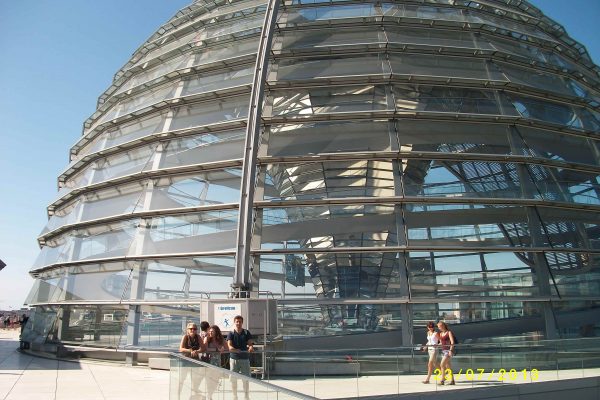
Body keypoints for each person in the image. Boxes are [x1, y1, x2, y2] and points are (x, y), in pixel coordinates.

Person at [227, 315, 254, 399]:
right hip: (234, 358)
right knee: (233, 379)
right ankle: (235, 396)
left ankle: (246, 396)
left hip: (244, 358)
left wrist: (250, 347)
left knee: (245, 379)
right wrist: (234, 350)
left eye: (240, 322)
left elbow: (250, 343)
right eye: (237, 322)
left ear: (242, 323)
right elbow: (229, 346)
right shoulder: (231, 333)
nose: (238, 323)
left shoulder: (246, 332)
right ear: (234, 322)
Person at [179, 322, 206, 397]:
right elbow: (181, 349)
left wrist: (197, 351)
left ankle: (194, 396)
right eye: (191, 329)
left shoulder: (198, 337)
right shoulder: (185, 337)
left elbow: (203, 348)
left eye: (194, 329)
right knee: (182, 379)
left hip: (195, 361)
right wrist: (190, 351)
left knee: (195, 380)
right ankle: (178, 395)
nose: (193, 330)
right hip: (185, 361)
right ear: (187, 330)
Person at [437, 321, 456, 385]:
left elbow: (452, 342)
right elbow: (441, 342)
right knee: (448, 366)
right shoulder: (440, 333)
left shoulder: (449, 332)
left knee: (442, 364)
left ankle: (442, 380)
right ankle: (452, 380)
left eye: (439, 326)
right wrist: (436, 345)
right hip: (443, 351)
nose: (439, 328)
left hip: (448, 351)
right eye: (438, 327)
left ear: (443, 326)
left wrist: (451, 350)